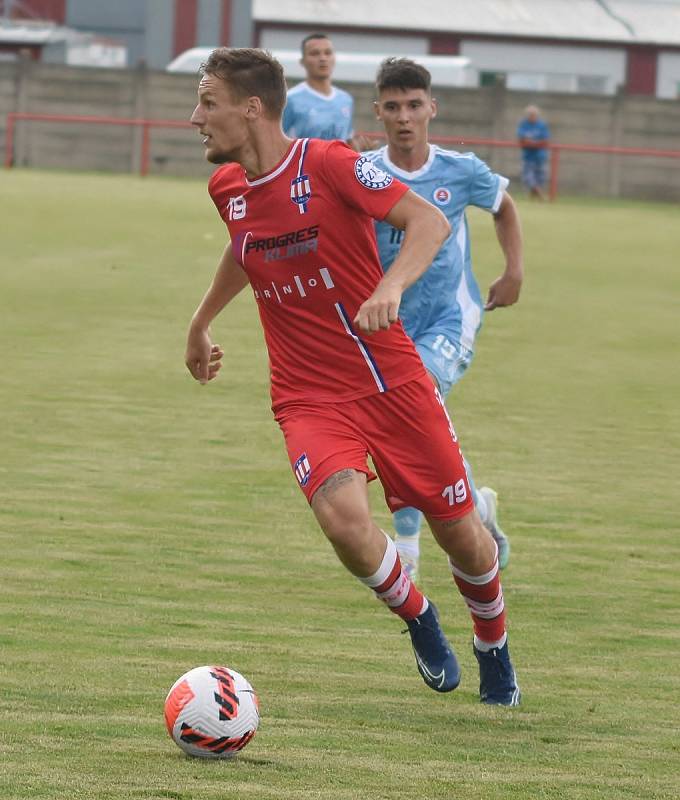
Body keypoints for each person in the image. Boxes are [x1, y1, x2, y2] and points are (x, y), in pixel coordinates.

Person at [186, 47, 520, 706]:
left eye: (207, 102)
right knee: (343, 521)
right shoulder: (225, 188)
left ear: (251, 109)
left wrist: (392, 286)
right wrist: (200, 321)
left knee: (463, 536)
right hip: (307, 394)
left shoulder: (331, 164)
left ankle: (493, 647)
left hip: (390, 380)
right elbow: (245, 246)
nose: (196, 117)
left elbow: (425, 222)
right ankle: (421, 619)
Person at [365, 58, 524, 583]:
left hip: (449, 321)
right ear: (379, 112)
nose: (405, 116)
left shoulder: (461, 170)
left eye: (414, 105)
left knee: (410, 406)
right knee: (410, 426)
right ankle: (476, 508)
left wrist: (514, 271)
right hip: (386, 326)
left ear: (432, 107)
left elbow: (504, 206)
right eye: (393, 107)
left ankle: (407, 549)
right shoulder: (365, 173)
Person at [282, 33, 354, 142]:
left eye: (328, 53)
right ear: (302, 61)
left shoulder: (346, 100)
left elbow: (348, 139)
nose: (323, 58)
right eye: (315, 53)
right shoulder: (290, 100)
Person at [517, 104, 550, 200]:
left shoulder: (542, 125)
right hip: (528, 157)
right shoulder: (524, 125)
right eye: (530, 114)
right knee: (528, 178)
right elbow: (522, 139)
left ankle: (532, 198)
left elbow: (545, 140)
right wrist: (535, 142)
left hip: (540, 156)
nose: (532, 116)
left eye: (534, 114)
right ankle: (541, 196)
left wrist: (532, 142)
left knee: (540, 179)